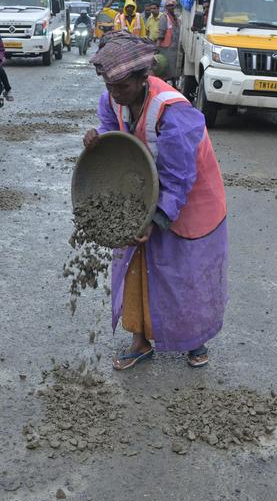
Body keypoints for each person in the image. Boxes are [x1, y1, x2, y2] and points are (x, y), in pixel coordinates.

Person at [82, 31, 228, 370]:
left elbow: (180, 177)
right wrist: (97, 138)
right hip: (143, 186)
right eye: (110, 87)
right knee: (136, 265)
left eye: (123, 87)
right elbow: (114, 135)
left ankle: (194, 340)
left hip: (191, 195)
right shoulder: (113, 99)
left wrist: (157, 217)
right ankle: (140, 340)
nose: (116, 95)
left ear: (142, 78)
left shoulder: (174, 112)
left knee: (184, 271)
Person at [156, 0, 181, 85]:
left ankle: (173, 86)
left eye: (172, 6)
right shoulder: (164, 17)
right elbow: (161, 32)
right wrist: (157, 46)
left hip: (174, 47)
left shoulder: (176, 18)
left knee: (173, 70)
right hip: (166, 47)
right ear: (166, 7)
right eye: (169, 6)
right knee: (166, 69)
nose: (170, 7)